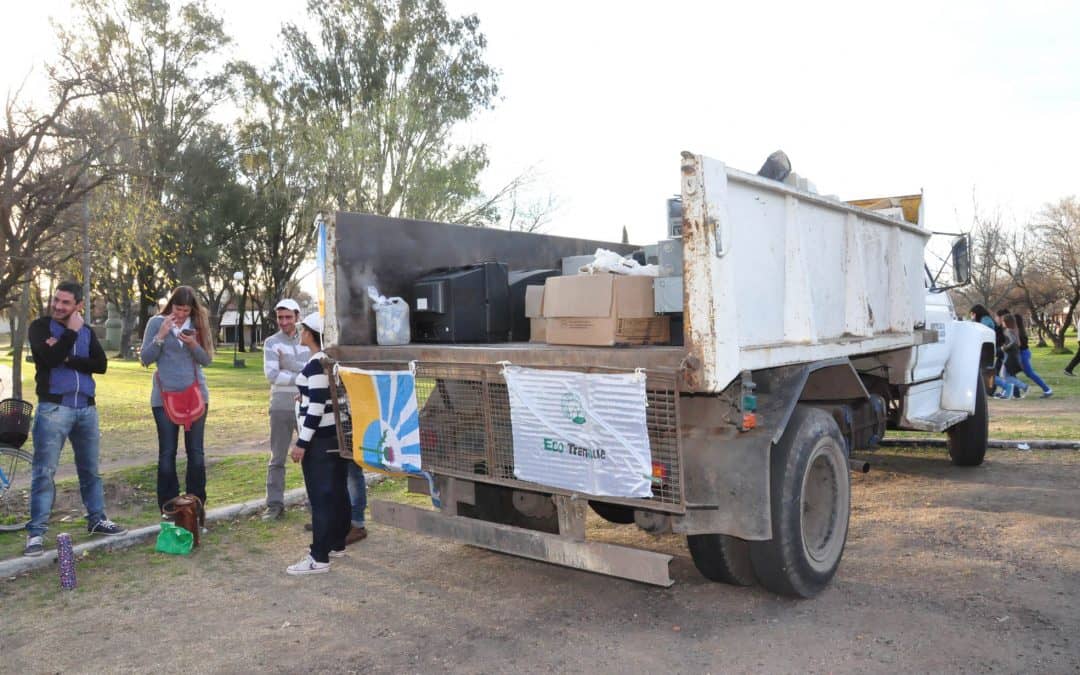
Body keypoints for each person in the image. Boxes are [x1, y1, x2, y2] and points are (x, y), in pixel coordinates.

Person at [24, 281, 127, 557]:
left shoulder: (88, 331)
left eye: (66, 302)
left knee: (90, 471)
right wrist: (70, 333)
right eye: (56, 300)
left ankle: (97, 519)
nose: (58, 306)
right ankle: (36, 534)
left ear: (79, 305)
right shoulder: (40, 327)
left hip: (86, 410)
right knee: (44, 472)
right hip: (54, 409)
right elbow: (49, 358)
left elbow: (100, 365)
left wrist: (68, 359)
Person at [140, 286, 213, 512]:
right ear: (171, 305)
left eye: (185, 310)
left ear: (192, 309)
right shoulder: (156, 323)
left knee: (196, 454)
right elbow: (145, 359)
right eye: (177, 309)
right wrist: (161, 336)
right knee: (167, 453)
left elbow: (206, 359)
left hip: (195, 395)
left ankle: (195, 506)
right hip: (164, 398)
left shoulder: (198, 323)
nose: (181, 314)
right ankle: (169, 508)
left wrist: (192, 344)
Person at [287, 313, 350, 575]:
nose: (299, 333)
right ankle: (337, 543)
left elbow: (315, 407)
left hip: (319, 440)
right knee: (337, 491)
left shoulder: (316, 364)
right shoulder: (331, 361)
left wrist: (301, 443)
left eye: (303, 329)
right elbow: (324, 398)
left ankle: (319, 557)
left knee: (321, 497)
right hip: (337, 435)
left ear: (311, 334)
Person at [261, 299, 309, 521]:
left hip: (307, 405)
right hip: (281, 405)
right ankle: (274, 505)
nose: (284, 321)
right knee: (277, 457)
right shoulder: (272, 342)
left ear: (297, 316)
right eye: (280, 317)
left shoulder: (309, 338)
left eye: (288, 317)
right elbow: (272, 375)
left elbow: (316, 368)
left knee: (311, 455)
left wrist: (288, 368)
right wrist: (302, 375)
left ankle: (313, 500)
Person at [998, 308, 1052, 398]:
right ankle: (1009, 391)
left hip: (1022, 354)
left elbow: (1017, 345)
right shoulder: (1017, 331)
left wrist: (1006, 347)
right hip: (1023, 353)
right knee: (1009, 373)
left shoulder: (1017, 333)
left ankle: (1047, 389)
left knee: (1029, 373)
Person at [994, 314, 1029, 400]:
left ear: (1007, 322)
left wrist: (1004, 347)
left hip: (1009, 356)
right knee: (1004, 375)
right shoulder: (1014, 330)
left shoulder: (1008, 331)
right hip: (1011, 355)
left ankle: (1024, 387)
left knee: (1005, 375)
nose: (1002, 323)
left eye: (1003, 322)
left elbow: (1013, 342)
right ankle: (1008, 393)